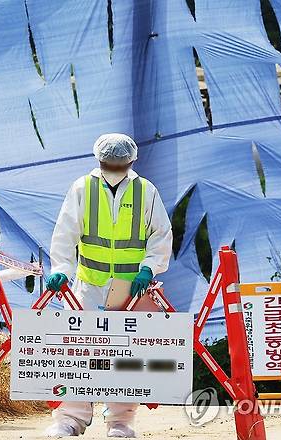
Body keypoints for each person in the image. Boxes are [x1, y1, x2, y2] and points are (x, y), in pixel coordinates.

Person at [45, 133, 173, 438]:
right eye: (108, 163)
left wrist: (149, 268)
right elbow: (65, 233)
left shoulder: (146, 191)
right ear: (99, 161)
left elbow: (160, 235)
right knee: (77, 353)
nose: (114, 167)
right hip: (88, 286)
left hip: (131, 289)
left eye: (119, 163)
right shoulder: (82, 188)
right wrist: (61, 270)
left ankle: (121, 422)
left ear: (131, 162)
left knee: (126, 356)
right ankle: (69, 419)